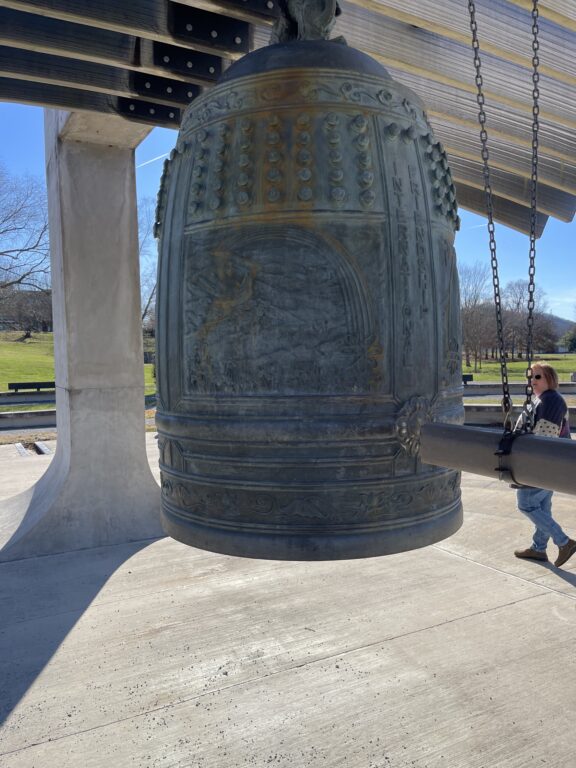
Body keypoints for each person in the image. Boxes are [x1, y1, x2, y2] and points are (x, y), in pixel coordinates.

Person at [514, 362, 575, 567]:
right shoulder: (542, 399)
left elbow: (544, 439)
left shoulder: (551, 401)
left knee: (526, 503)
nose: (533, 381)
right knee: (542, 506)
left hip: (542, 463)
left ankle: (564, 542)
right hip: (550, 464)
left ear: (550, 378)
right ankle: (538, 548)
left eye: (538, 377)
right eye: (531, 377)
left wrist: (528, 465)